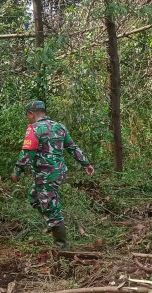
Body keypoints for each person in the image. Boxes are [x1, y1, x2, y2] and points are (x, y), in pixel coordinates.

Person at [11, 101, 94, 250]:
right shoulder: (59, 126)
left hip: (46, 174)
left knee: (51, 208)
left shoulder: (34, 128)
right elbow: (72, 147)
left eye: (27, 115)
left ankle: (61, 247)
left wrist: (17, 170)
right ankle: (52, 224)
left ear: (31, 113)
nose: (28, 118)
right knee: (34, 196)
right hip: (59, 172)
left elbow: (27, 153)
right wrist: (86, 163)